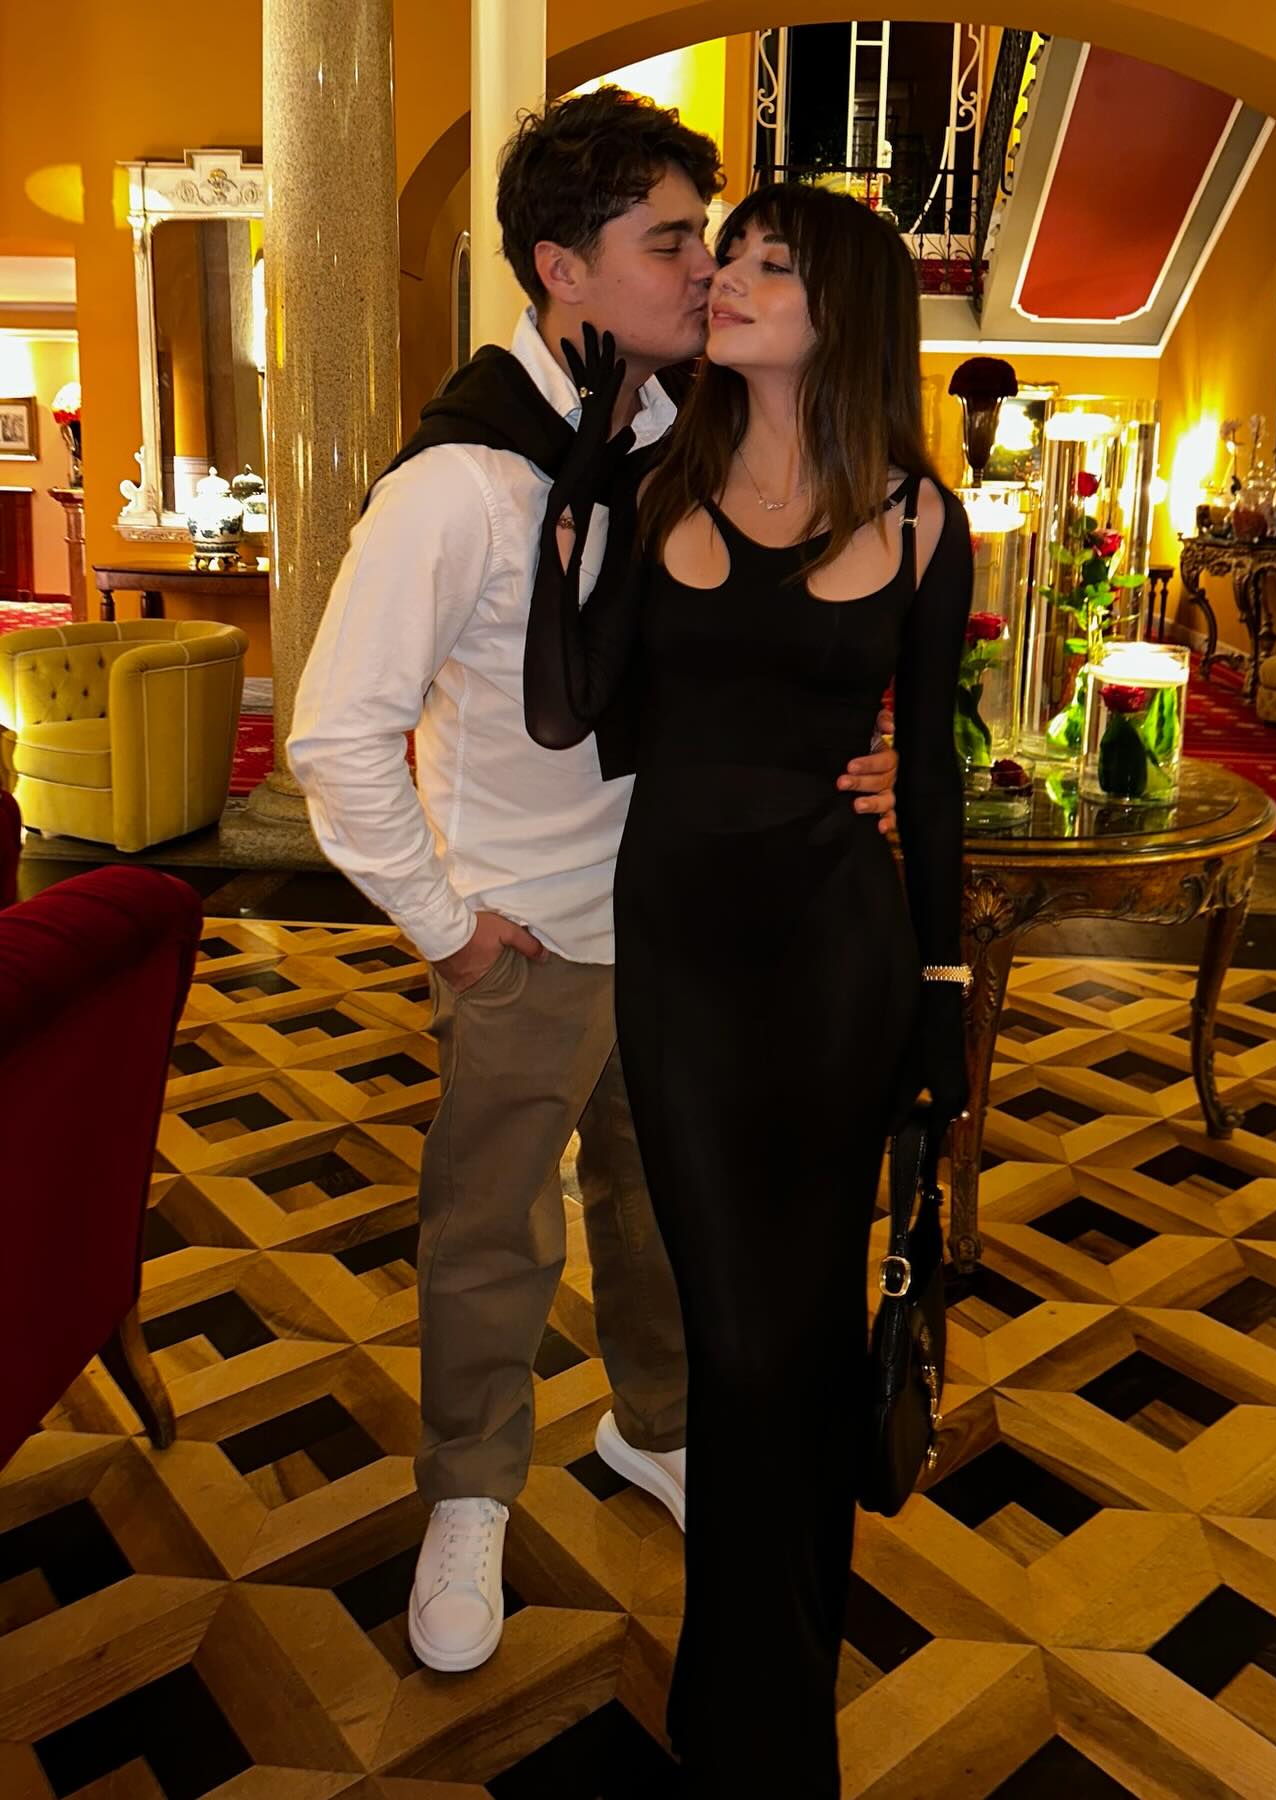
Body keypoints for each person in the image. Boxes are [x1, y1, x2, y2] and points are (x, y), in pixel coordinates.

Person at [286, 90, 900, 1678]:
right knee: (494, 1239)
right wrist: (447, 929)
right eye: (673, 241)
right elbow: (335, 737)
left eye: (711, 238)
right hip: (526, 938)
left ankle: (658, 1426)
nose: (709, 271)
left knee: (663, 1214)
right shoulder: (458, 484)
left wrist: (870, 746)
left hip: (683, 924)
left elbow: (775, 630)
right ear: (564, 269)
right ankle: (470, 1493)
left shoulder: (676, 431)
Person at [523, 183, 973, 1796]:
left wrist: (941, 989)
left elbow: (933, 768)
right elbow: (574, 710)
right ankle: (743, 1717)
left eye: (769, 263)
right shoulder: (658, 486)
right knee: (736, 1345)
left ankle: (776, 1721)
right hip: (689, 968)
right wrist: (585, 474)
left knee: (810, 1333)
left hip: (842, 958)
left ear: (843, 308)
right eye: (729, 257)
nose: (726, 278)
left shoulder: (922, 518)